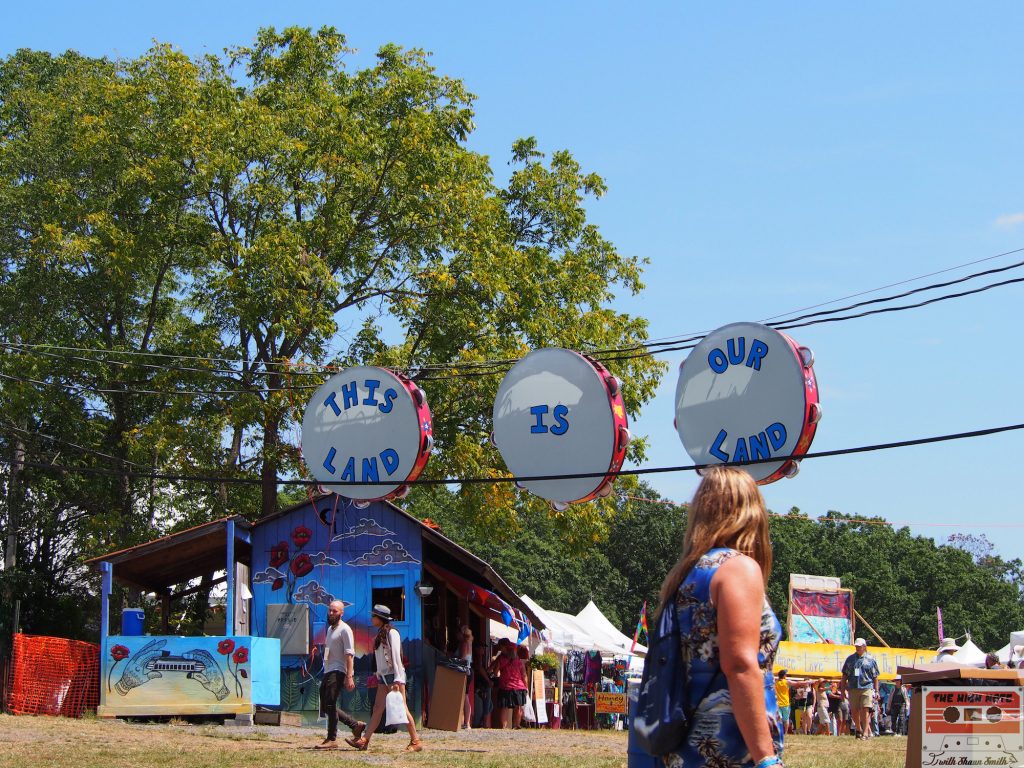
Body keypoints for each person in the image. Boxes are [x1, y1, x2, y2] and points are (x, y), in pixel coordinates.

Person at [656, 467, 784, 768]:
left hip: (687, 748)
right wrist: (766, 758)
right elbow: (739, 664)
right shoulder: (738, 569)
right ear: (750, 511)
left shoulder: (686, 576)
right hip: (731, 748)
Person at [346, 604, 422, 753]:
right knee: (378, 708)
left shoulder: (392, 633)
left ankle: (416, 741)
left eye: (374, 616)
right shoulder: (381, 633)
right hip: (383, 677)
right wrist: (379, 674)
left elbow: (396, 656)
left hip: (394, 676)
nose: (371, 618)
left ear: (380, 618)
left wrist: (398, 679)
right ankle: (365, 740)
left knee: (402, 708)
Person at [314, 600, 365, 749]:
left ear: (342, 613)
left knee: (330, 703)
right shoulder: (330, 629)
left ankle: (332, 739)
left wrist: (349, 676)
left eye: (334, 611)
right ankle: (355, 726)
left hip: (338, 671)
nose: (331, 613)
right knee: (325, 704)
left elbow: (350, 654)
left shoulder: (345, 629)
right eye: (330, 610)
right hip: (328, 670)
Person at [840, 638, 879, 740]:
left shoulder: (871, 659)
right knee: (854, 711)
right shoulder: (850, 659)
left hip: (867, 687)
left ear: (864, 647)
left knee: (866, 709)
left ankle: (866, 733)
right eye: (856, 646)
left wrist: (877, 691)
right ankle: (858, 729)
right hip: (853, 688)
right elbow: (844, 676)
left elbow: (875, 677)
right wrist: (842, 690)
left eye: (859, 646)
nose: (857, 648)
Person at [489, 638, 528, 729]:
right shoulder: (517, 660)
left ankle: (504, 726)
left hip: (506, 686)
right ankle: (516, 725)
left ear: (503, 647)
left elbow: (495, 672)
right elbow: (524, 674)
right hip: (519, 686)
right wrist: (526, 686)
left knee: (504, 707)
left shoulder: (501, 659)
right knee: (518, 707)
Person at [458, 625, 474, 730]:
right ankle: (467, 722)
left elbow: (462, 657)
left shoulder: (464, 644)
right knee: (466, 696)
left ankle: (466, 722)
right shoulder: (469, 643)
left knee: (464, 696)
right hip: (469, 670)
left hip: (464, 670)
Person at [774, 670, 791, 734]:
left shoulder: (776, 682)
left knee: (779, 719)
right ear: (784, 675)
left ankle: (780, 732)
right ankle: (785, 732)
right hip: (786, 703)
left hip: (778, 704)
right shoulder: (786, 682)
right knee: (786, 719)